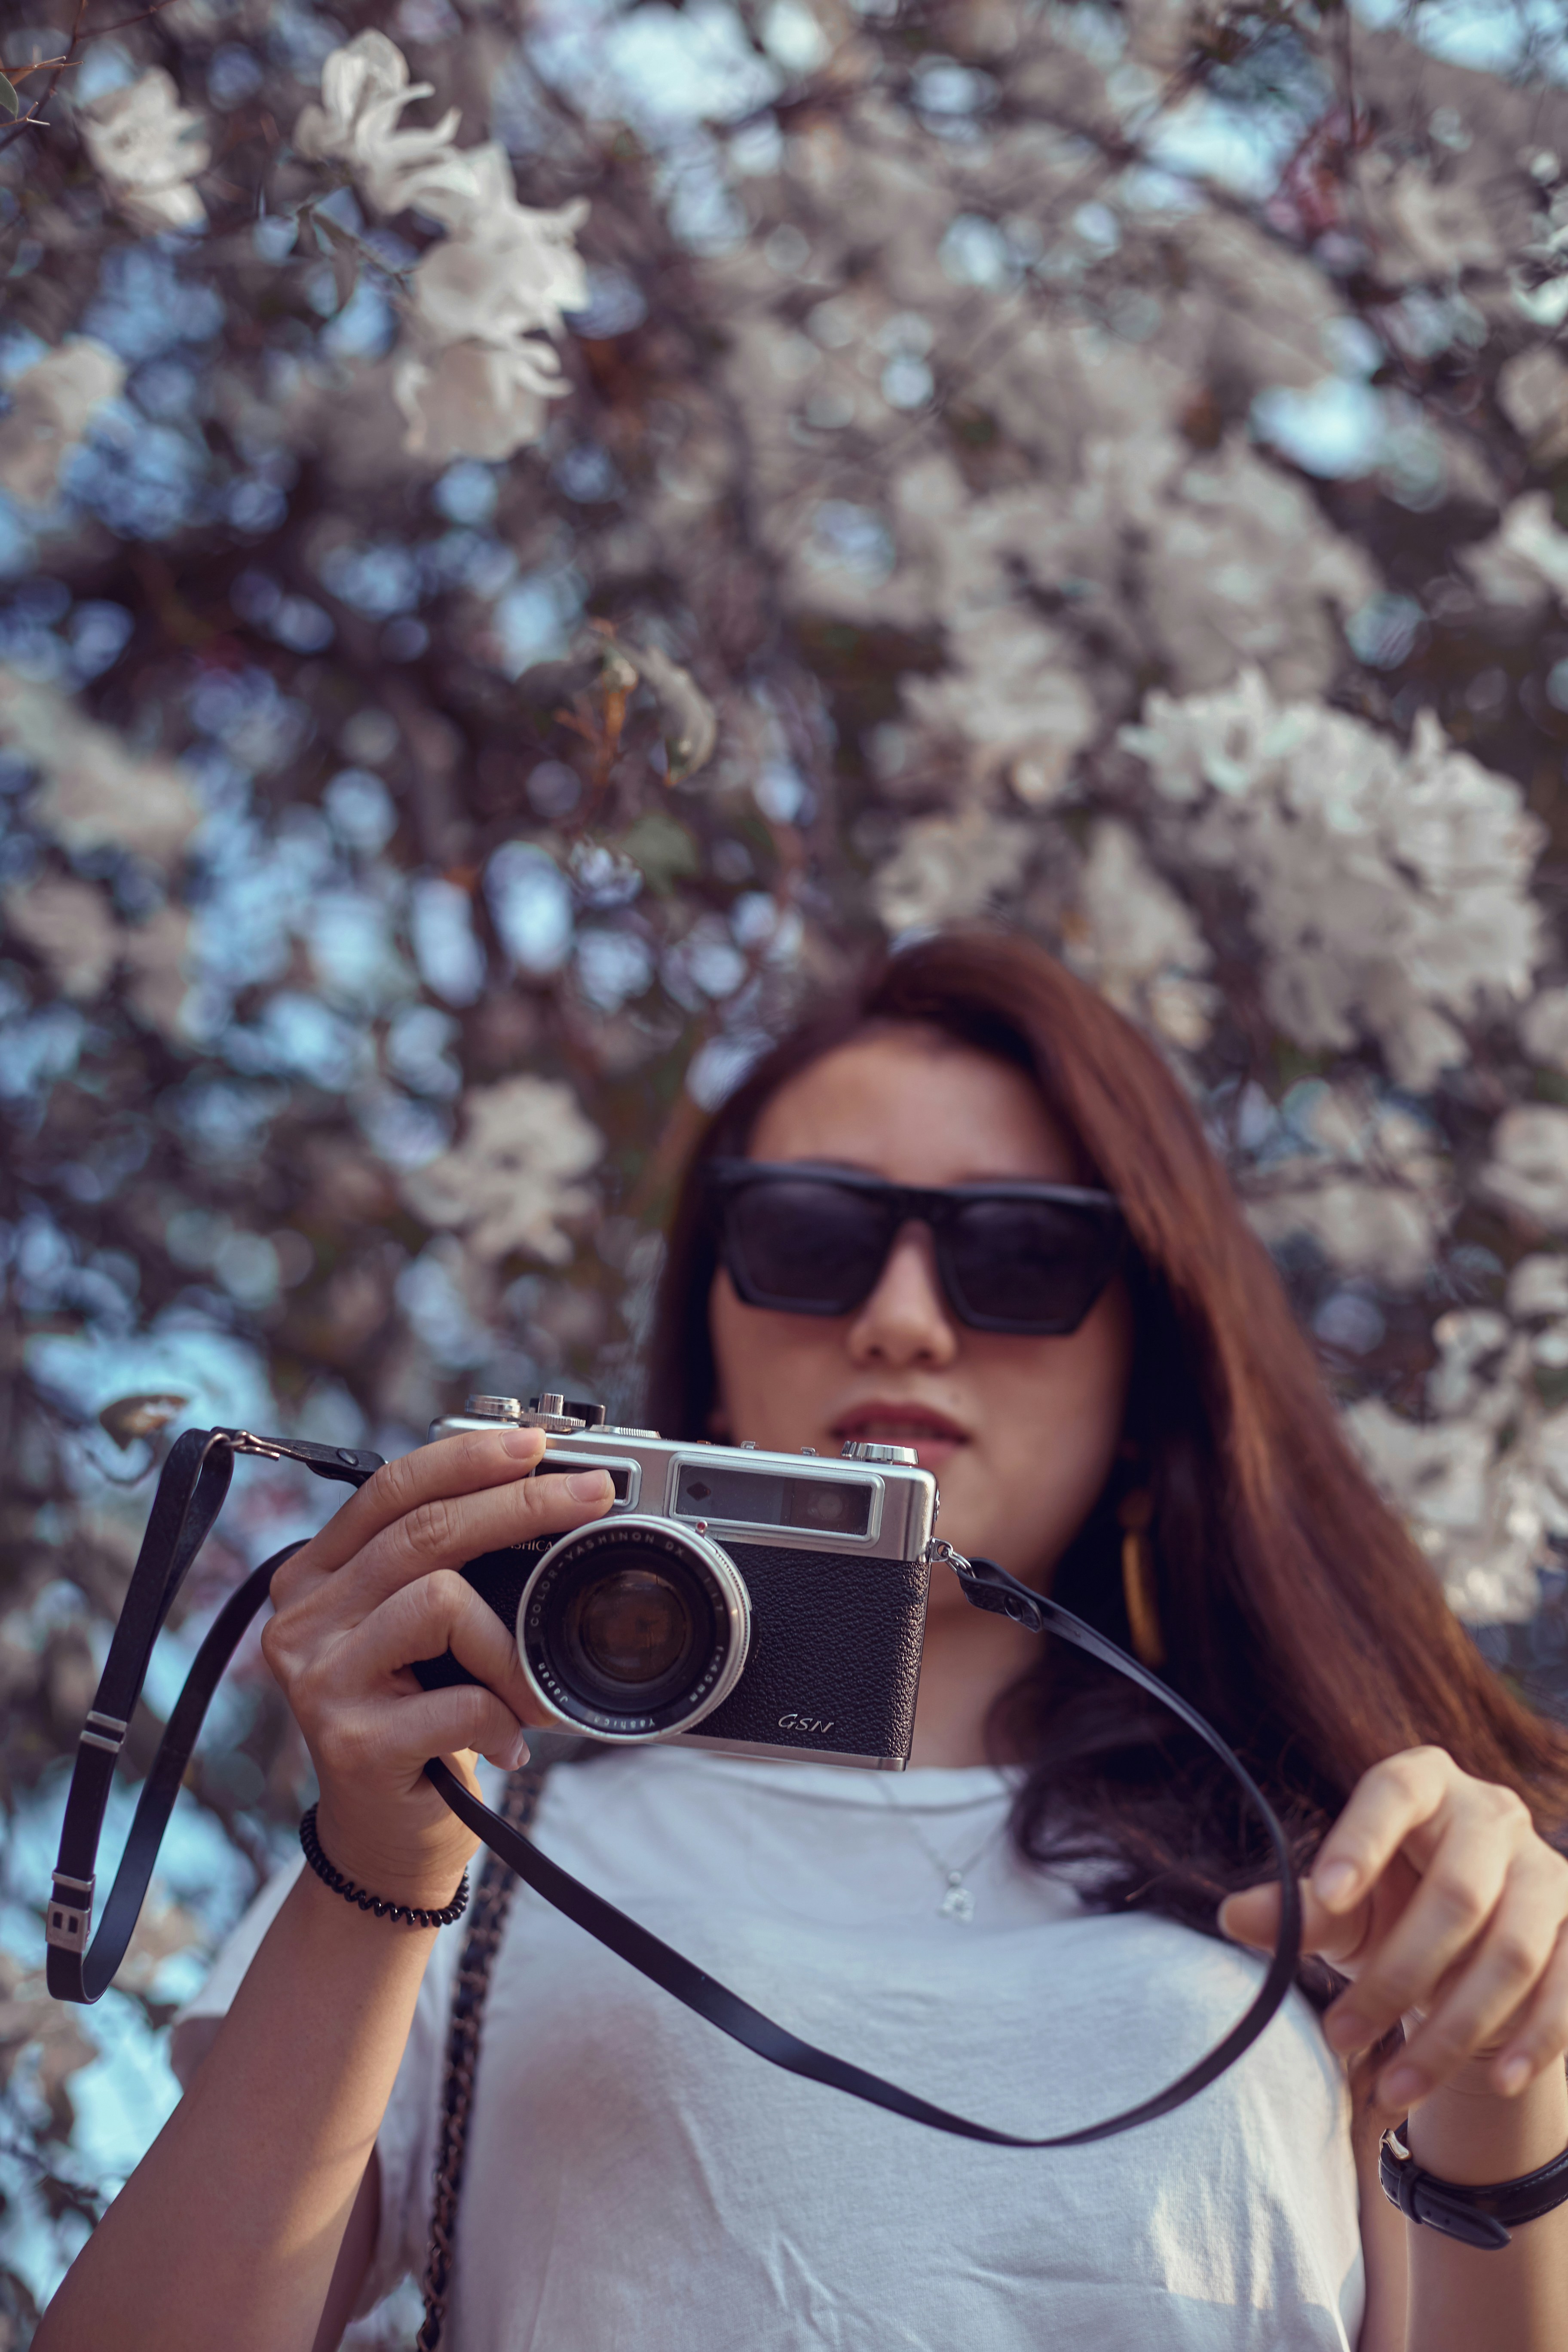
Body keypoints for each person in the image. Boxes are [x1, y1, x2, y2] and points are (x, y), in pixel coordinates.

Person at [35, 929, 1568, 2352]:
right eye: (812, 1235)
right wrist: (382, 1856)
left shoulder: (1343, 1874)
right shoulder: (474, 1825)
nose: (903, 1316)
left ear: (1151, 1364)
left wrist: (1508, 2082)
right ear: (706, 1341)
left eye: (1023, 1257)